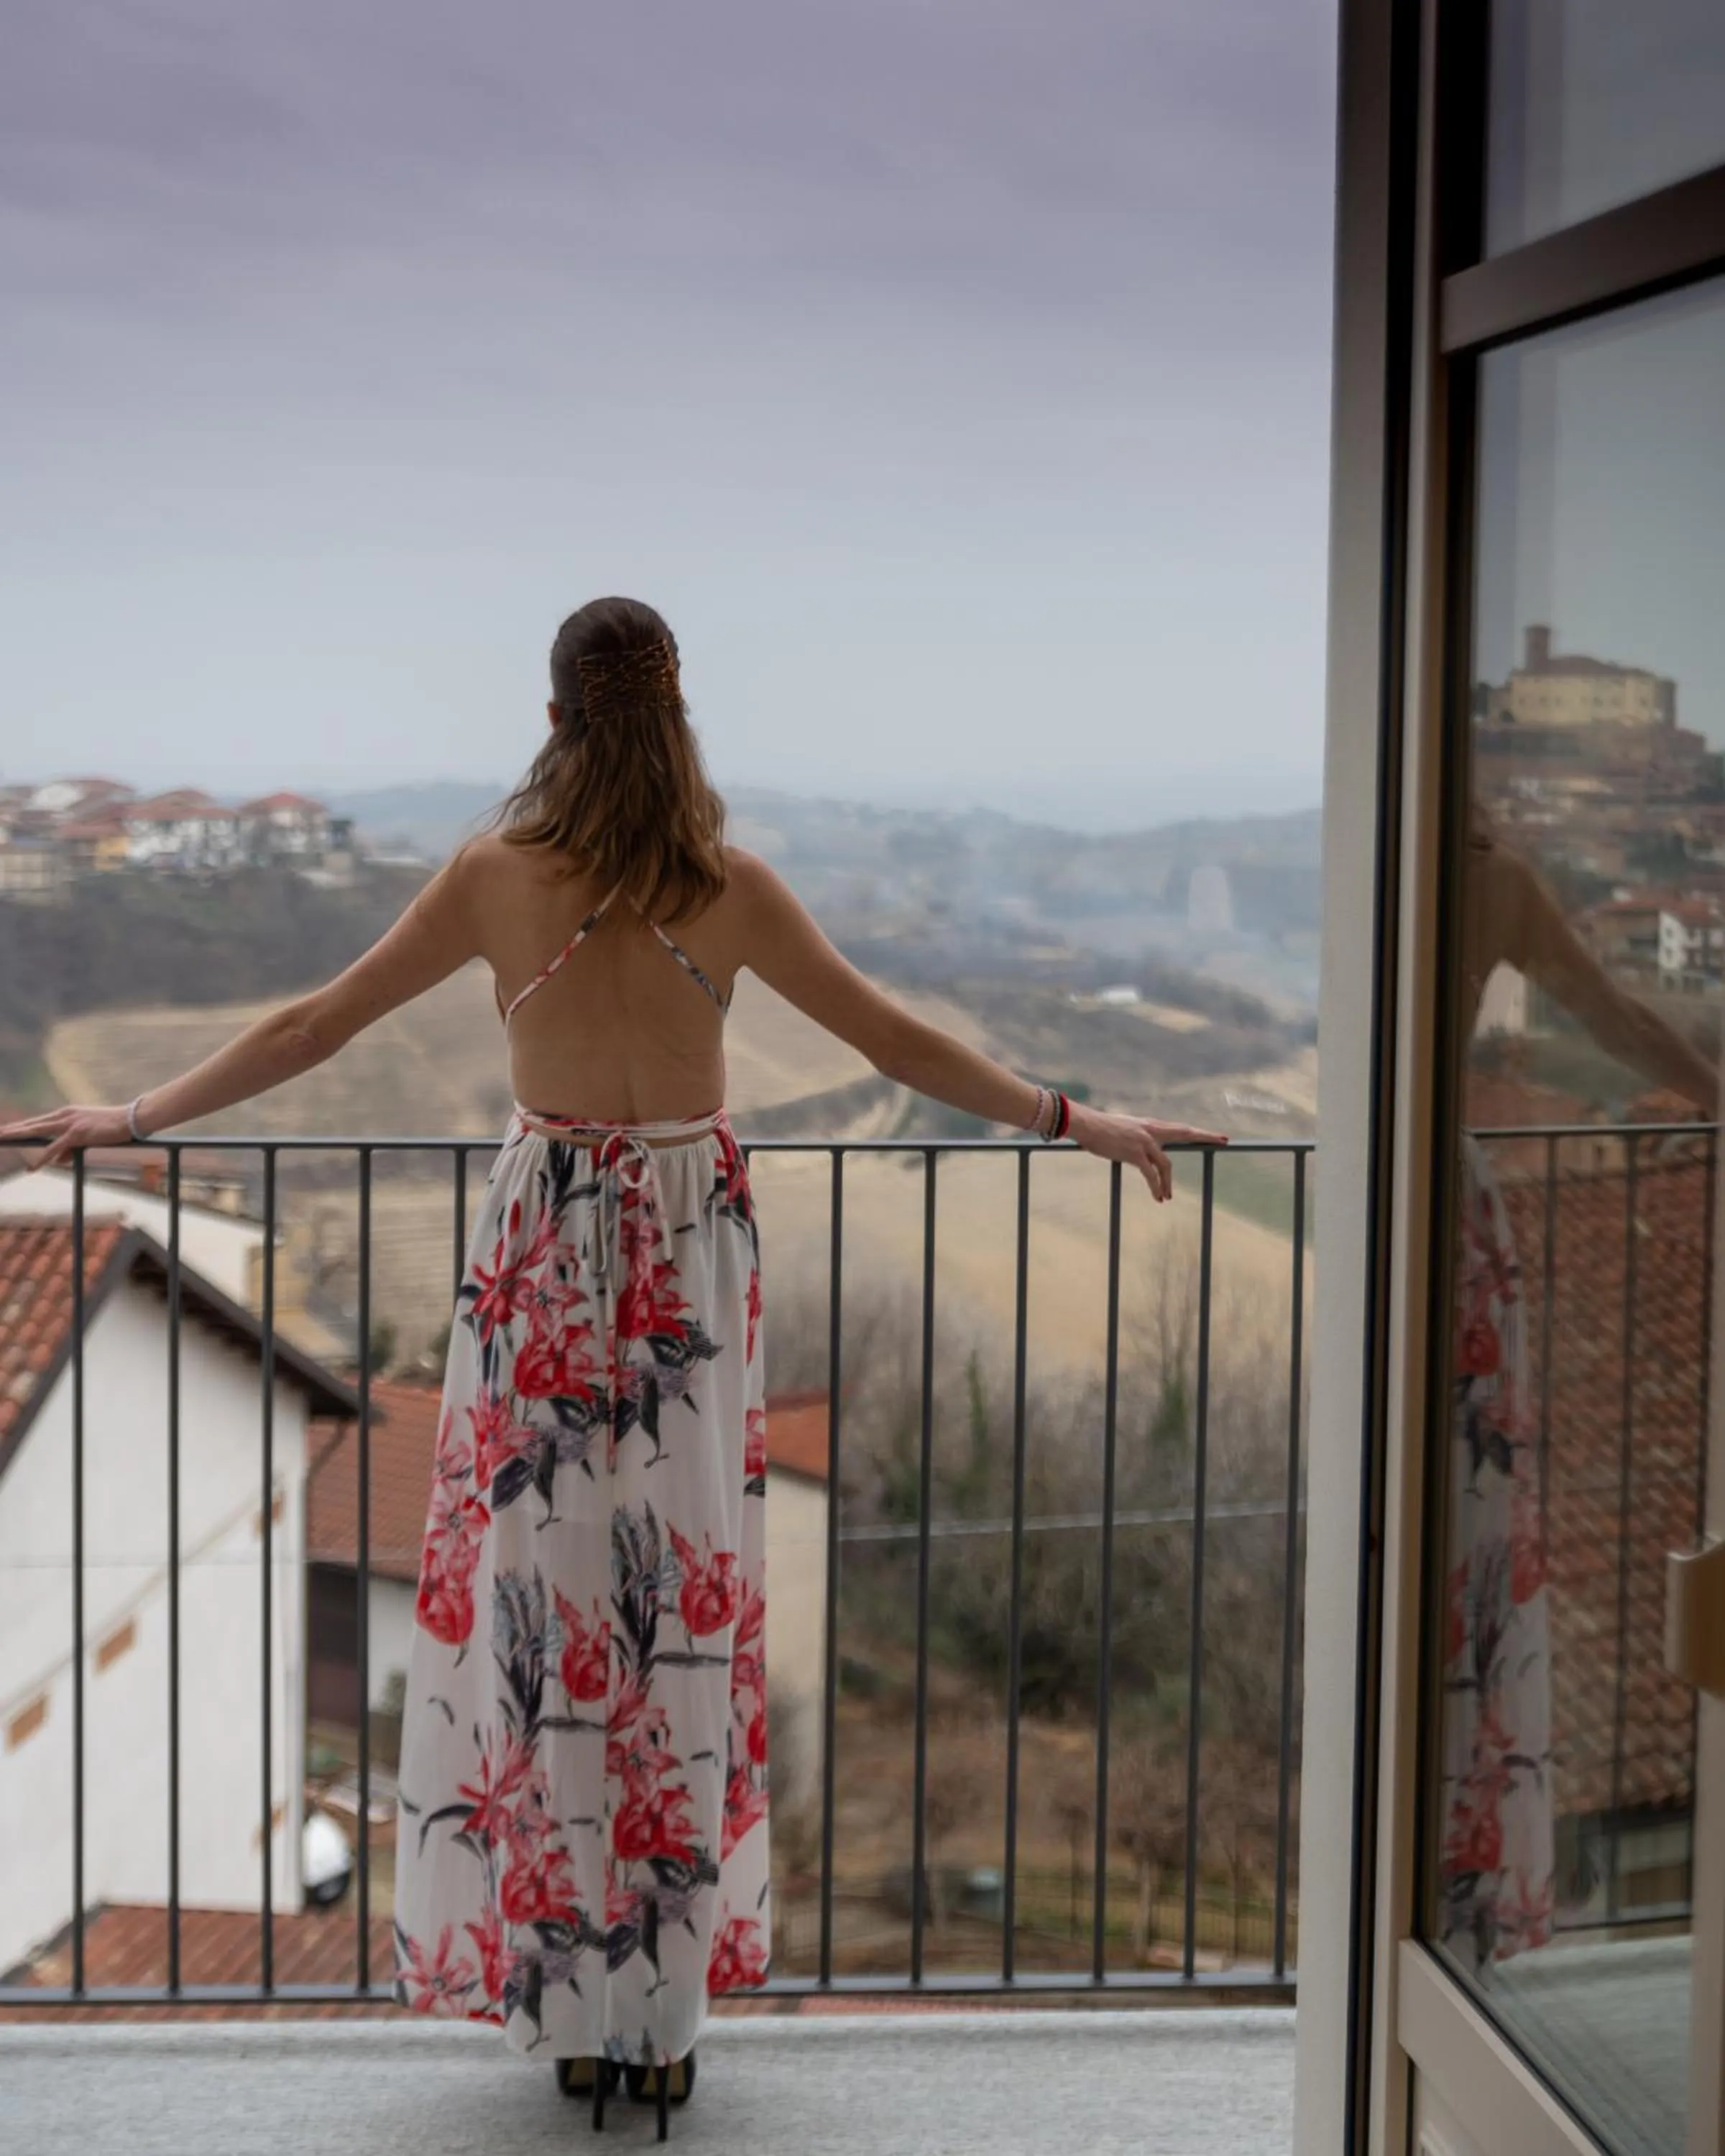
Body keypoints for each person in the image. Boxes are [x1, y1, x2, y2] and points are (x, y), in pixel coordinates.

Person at [2, 595, 1225, 2135]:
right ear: (679, 711)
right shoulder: (731, 886)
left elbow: (316, 1023)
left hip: (541, 1263)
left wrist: (132, 1117)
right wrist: (1079, 1120)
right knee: (674, 1630)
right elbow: (902, 1042)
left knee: (543, 1621)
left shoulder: (495, 879)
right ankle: (657, 2017)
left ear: (557, 713)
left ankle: (572, 2005)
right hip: (686, 1263)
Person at [1440, 804, 1717, 1976]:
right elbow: (1612, 1015)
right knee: (1479, 1533)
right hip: (1448, 1206)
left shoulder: (1396, 850)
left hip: (1407, 1204)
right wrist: (1716, 1084)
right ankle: (1472, 1889)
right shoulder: (1494, 880)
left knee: (1424, 1539)